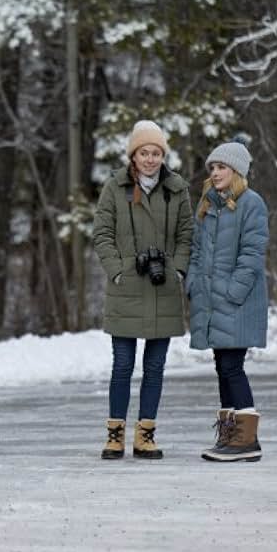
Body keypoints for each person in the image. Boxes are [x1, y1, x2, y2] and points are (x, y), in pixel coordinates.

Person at [92, 120, 193, 460]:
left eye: (156, 153)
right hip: (126, 287)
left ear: (163, 155)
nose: (150, 159)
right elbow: (102, 233)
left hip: (162, 286)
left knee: (155, 367)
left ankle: (145, 435)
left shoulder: (176, 189)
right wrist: (118, 270)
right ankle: (115, 434)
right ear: (133, 156)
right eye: (144, 153)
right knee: (122, 365)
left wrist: (178, 269)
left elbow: (185, 234)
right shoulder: (114, 188)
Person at [185, 137, 268, 462]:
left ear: (237, 171)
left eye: (221, 167)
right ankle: (230, 435)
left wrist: (233, 292)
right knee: (222, 366)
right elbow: (195, 250)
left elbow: (252, 255)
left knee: (232, 366)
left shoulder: (252, 203)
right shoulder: (207, 204)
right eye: (213, 168)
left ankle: (247, 439)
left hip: (238, 302)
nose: (216, 172)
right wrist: (193, 283)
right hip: (210, 302)